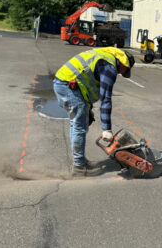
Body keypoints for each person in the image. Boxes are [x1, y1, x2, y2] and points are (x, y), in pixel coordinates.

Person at [53, 47, 135, 176]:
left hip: (65, 82)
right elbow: (105, 98)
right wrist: (106, 129)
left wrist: (88, 108)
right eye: (125, 71)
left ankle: (80, 161)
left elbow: (86, 81)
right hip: (68, 85)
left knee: (78, 125)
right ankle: (79, 167)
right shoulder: (110, 68)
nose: (122, 74)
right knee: (79, 126)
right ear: (124, 63)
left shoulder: (105, 56)